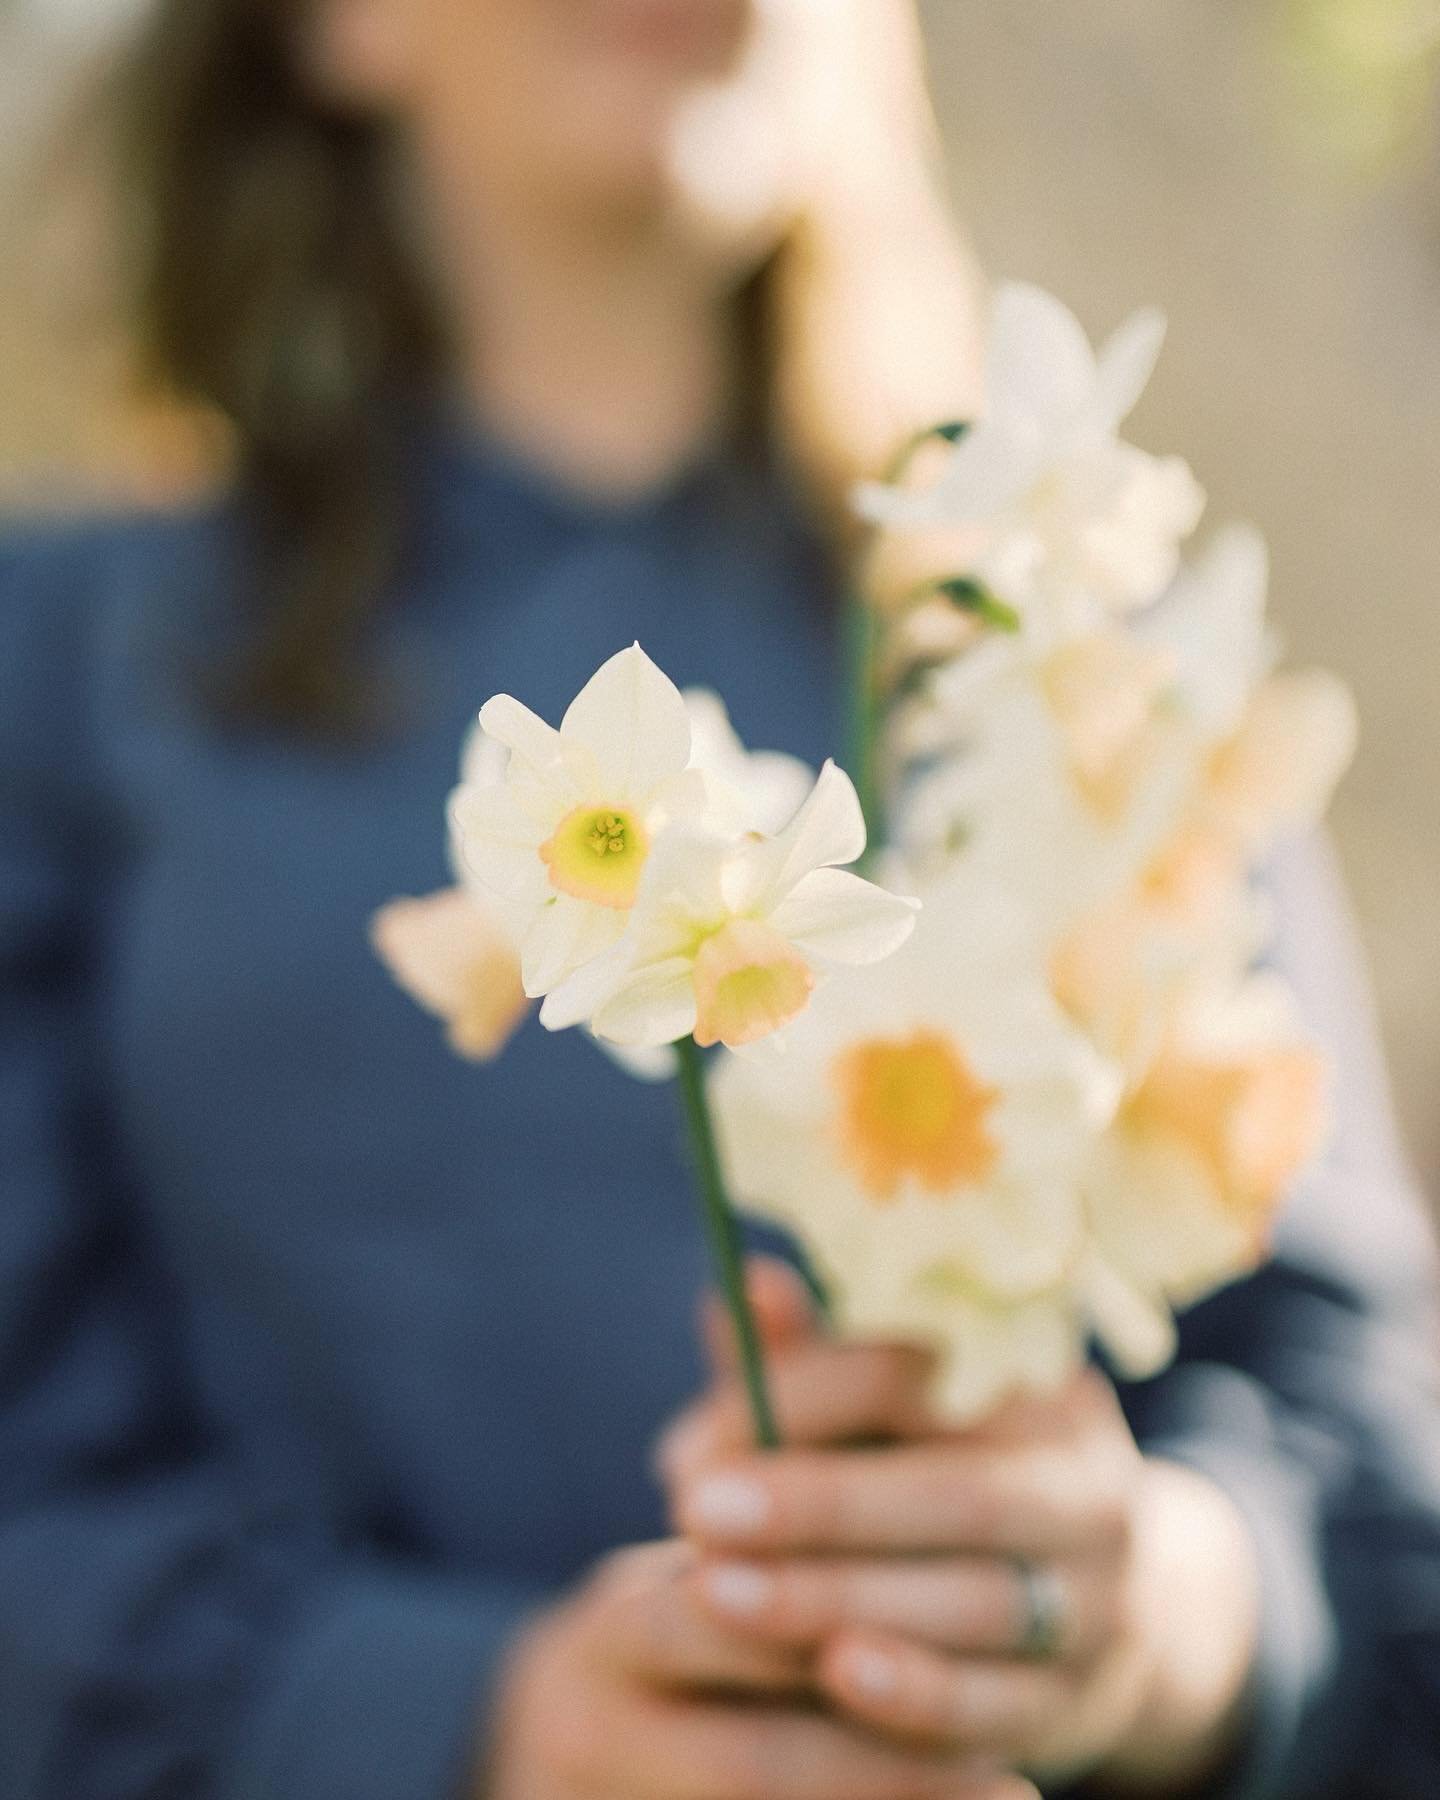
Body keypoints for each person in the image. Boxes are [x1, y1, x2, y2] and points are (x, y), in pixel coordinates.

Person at [0, 1, 1437, 1796]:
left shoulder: (1065, 664)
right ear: (338, 26)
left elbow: (1368, 1448)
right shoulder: (61, 669)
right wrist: (495, 1724)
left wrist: (1152, 1614)